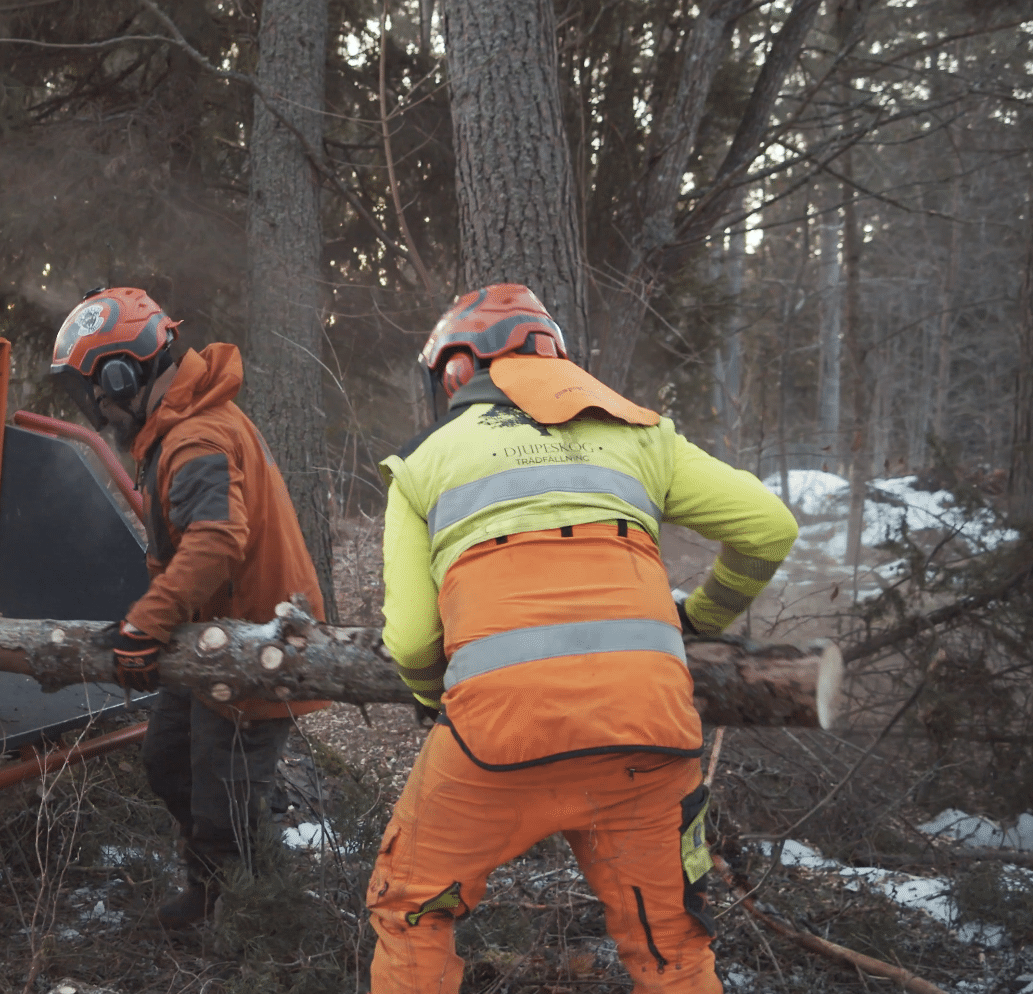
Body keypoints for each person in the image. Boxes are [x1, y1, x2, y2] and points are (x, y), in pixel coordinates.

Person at [366, 285, 798, 993]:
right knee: (673, 949)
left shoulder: (423, 461)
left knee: (412, 909)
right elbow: (769, 527)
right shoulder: (640, 433)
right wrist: (703, 618)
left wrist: (424, 694)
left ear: (455, 368)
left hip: (494, 742)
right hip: (648, 735)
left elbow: (413, 639)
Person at [49, 286, 329, 929]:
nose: (98, 411)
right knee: (168, 758)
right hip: (208, 638)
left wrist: (147, 622)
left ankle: (243, 917)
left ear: (122, 375)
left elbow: (215, 541)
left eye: (96, 393)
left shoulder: (196, 436)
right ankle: (218, 882)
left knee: (224, 793)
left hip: (253, 645)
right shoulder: (178, 429)